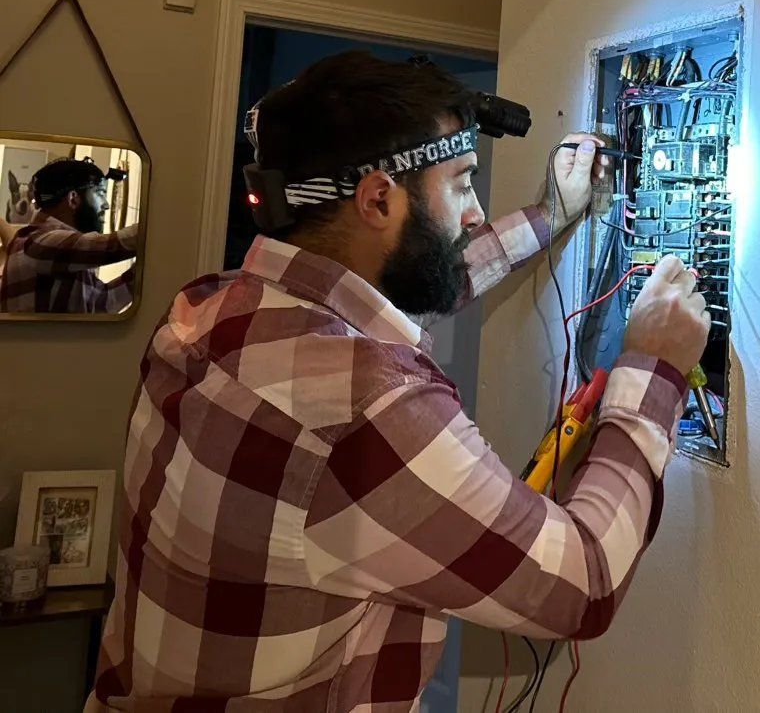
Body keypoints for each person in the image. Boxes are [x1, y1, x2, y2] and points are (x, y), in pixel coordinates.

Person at [88, 52, 709, 711]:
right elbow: (584, 584)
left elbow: (410, 285)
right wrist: (653, 367)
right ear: (378, 199)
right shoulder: (368, 409)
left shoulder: (202, 313)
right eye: (462, 184)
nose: (476, 212)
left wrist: (551, 216)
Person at [0, 157, 137, 314]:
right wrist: (155, 231)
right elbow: (113, 246)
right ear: (73, 199)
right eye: (100, 193)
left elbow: (100, 305)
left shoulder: (57, 249)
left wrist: (147, 269)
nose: (106, 205)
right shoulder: (37, 242)